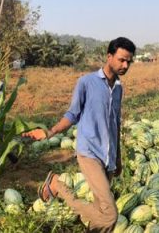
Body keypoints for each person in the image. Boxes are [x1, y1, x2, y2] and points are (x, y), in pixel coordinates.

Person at [27, 37, 135, 232]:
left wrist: (117, 158)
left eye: (129, 61)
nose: (125, 65)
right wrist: (51, 131)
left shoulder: (119, 89)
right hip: (89, 151)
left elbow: (115, 124)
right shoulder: (86, 82)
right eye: (121, 60)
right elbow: (72, 114)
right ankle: (58, 187)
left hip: (108, 155)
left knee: (99, 211)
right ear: (109, 56)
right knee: (110, 215)